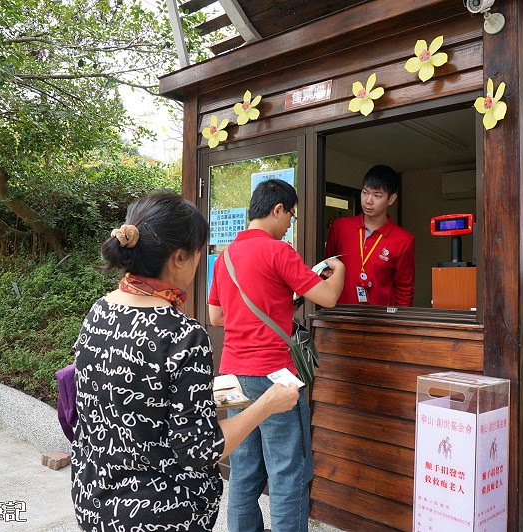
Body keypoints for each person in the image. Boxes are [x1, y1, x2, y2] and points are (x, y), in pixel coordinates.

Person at [71, 191, 301, 532]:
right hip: (160, 512)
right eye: (197, 253)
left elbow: (132, 396)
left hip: (94, 500)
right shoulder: (181, 333)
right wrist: (267, 403)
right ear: (180, 257)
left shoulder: (100, 309)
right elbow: (199, 449)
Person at [207, 178, 346, 532]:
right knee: (286, 471)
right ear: (277, 208)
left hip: (231, 377)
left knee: (243, 470)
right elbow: (328, 297)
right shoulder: (279, 251)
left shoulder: (225, 258)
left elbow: (216, 317)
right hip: (273, 377)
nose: (289, 225)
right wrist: (339, 270)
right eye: (290, 216)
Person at [325, 164, 415, 306]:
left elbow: (404, 290)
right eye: (365, 192)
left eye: (377, 195)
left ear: (391, 199)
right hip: (340, 315)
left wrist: (399, 326)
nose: (368, 201)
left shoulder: (404, 240)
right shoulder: (340, 227)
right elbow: (326, 269)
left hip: (380, 321)